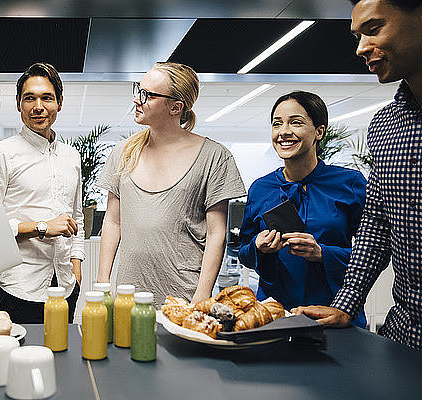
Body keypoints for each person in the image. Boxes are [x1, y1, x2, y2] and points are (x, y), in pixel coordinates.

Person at [292, 0, 422, 350]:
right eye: (357, 35)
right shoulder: (386, 125)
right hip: (405, 336)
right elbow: (377, 225)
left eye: (374, 28)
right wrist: (346, 304)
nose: (361, 47)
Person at [96, 62, 246, 306]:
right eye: (138, 89)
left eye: (147, 95)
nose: (137, 99)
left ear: (175, 107)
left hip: (183, 295)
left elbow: (216, 234)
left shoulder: (215, 157)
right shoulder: (123, 152)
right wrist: (103, 283)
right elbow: (113, 221)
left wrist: (202, 295)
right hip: (128, 294)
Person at [238, 91, 367, 328]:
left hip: (334, 312)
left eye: (295, 122)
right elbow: (244, 251)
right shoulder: (261, 188)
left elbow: (373, 253)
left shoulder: (350, 183)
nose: (284, 131)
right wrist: (259, 247)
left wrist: (323, 253)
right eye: (277, 124)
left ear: (319, 131)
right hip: (274, 315)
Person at [0, 62, 84, 324]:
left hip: (65, 287)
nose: (38, 106)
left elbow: (77, 218)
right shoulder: (1, 154)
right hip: (19, 289)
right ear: (18, 103)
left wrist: (76, 265)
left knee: (62, 360)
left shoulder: (71, 156)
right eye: (30, 98)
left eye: (47, 98)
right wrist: (41, 227)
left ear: (59, 103)